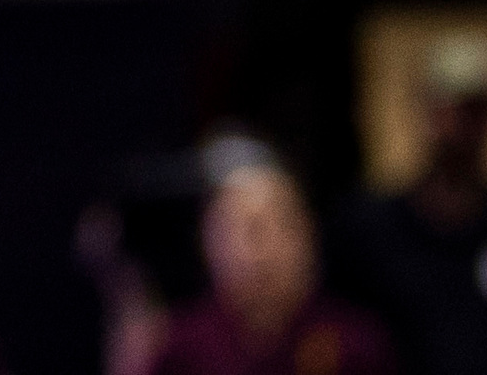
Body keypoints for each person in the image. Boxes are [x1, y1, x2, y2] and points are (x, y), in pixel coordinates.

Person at [339, 33, 487, 375]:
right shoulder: (368, 229)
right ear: (422, 110)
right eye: (445, 108)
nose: (457, 125)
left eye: (473, 109)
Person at [150, 158, 398, 375]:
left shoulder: (355, 344)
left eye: (285, 226)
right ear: (210, 241)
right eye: (252, 229)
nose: (269, 248)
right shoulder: (181, 348)